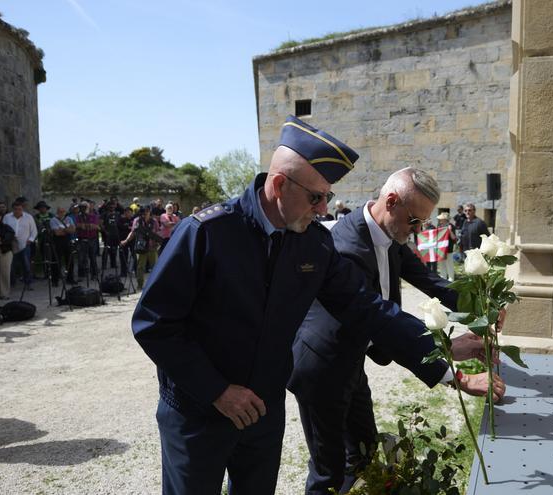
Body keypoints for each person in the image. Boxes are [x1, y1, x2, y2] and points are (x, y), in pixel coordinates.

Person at [131, 116, 491, 494]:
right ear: (279, 184)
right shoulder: (208, 233)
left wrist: (446, 360)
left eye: (328, 197)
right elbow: (154, 323)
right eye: (315, 197)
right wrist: (218, 391)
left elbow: (367, 308)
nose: (323, 210)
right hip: (198, 410)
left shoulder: (314, 244)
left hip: (261, 414)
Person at [290, 169, 505, 494]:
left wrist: (484, 305)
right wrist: (454, 370)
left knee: (363, 455)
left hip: (351, 362)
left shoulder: (391, 234)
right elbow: (381, 322)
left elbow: (430, 281)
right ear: (391, 202)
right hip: (322, 369)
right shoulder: (348, 248)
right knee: (327, 473)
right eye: (415, 221)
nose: (418, 231)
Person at [120, 207, 160, 289]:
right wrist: (126, 240)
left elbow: (158, 232)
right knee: (140, 267)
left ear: (149, 212)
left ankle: (155, 285)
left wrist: (159, 243)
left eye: (147, 212)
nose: (145, 213)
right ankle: (140, 285)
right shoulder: (137, 220)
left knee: (155, 267)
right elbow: (133, 232)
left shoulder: (154, 221)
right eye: (144, 212)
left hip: (152, 247)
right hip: (141, 247)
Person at [3, 200, 37, 290]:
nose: (17, 211)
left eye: (19, 209)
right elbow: (3, 229)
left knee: (26, 265)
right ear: (12, 209)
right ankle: (12, 283)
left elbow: (34, 230)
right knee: (11, 265)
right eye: (16, 209)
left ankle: (28, 283)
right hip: (11, 244)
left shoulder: (28, 217)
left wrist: (30, 240)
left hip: (25, 244)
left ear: (22, 209)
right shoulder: (7, 217)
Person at [50, 206, 76, 285]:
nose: (62, 213)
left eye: (63, 211)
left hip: (67, 241)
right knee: (57, 261)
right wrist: (67, 229)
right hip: (58, 242)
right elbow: (57, 233)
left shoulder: (69, 219)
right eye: (60, 212)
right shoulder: (53, 220)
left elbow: (73, 230)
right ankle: (55, 280)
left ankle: (70, 278)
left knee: (70, 260)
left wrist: (63, 230)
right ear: (57, 212)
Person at [74, 201, 99, 281]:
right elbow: (77, 225)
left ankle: (94, 274)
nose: (83, 209)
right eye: (81, 207)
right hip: (81, 239)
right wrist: (86, 226)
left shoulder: (93, 216)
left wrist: (85, 225)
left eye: (85, 207)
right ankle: (81, 275)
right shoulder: (78, 217)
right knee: (81, 258)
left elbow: (95, 226)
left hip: (92, 239)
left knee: (93, 258)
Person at [436, 212, 457, 281]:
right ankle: (443, 279)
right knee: (442, 266)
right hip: (440, 249)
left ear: (445, 219)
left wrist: (450, 230)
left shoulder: (451, 226)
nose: (440, 221)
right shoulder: (439, 226)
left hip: (448, 249)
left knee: (449, 266)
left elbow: (454, 238)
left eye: (441, 219)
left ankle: (451, 280)